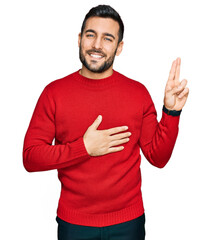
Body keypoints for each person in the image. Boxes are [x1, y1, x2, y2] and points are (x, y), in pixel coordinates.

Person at [22, 4, 189, 240]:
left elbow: (158, 157)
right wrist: (84, 148)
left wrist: (171, 113)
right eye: (91, 35)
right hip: (74, 224)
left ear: (119, 47)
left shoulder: (138, 93)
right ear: (80, 39)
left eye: (107, 38)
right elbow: (31, 157)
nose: (97, 45)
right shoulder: (53, 93)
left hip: (128, 223)